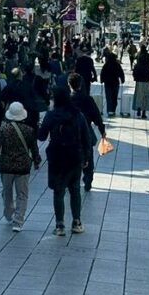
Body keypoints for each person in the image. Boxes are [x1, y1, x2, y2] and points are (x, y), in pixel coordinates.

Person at [39, 85, 89, 236]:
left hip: (57, 157)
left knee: (58, 191)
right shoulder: (78, 115)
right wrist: (86, 157)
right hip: (75, 157)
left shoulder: (51, 115)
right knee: (75, 190)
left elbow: (41, 136)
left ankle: (60, 225)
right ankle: (77, 222)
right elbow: (86, 137)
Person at [0, 101, 41, 232]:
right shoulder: (29, 130)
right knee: (22, 194)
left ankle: (9, 213)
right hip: (23, 167)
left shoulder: (3, 129)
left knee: (7, 192)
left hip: (6, 166)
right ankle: (19, 220)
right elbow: (34, 149)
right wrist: (37, 161)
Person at [69, 73, 106, 192]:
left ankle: (71, 181)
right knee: (88, 157)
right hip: (86, 132)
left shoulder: (67, 99)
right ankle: (88, 180)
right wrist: (102, 130)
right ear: (81, 85)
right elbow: (96, 115)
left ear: (69, 84)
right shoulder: (88, 99)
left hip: (70, 133)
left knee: (70, 158)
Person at [100, 49, 125, 117]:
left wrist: (101, 80)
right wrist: (122, 80)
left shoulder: (106, 65)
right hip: (115, 83)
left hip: (107, 83)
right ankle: (113, 110)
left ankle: (109, 110)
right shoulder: (117, 65)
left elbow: (102, 73)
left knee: (108, 97)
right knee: (114, 97)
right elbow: (121, 72)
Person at [133, 49, 149, 119]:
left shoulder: (137, 66)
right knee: (145, 98)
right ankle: (144, 113)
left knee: (139, 96)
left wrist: (136, 78)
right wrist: (148, 80)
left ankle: (138, 108)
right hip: (146, 83)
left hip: (139, 82)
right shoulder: (148, 67)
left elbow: (134, 73)